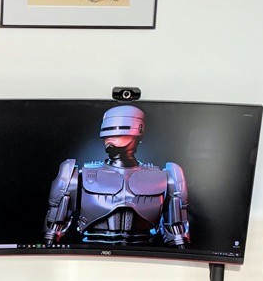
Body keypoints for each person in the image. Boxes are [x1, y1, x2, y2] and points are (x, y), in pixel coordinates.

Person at [44, 105, 190, 247]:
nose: (110, 140)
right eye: (108, 134)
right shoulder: (76, 175)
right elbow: (53, 231)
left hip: (143, 257)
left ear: (138, 131)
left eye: (119, 133)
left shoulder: (167, 177)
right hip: (92, 256)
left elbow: (177, 233)